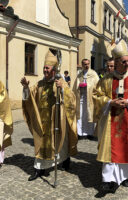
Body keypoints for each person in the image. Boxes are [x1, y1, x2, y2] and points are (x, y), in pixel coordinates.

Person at [93, 40, 128, 194]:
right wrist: (110, 102)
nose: (127, 64)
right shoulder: (106, 79)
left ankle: (126, 176)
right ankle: (108, 180)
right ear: (116, 62)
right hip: (110, 119)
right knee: (109, 149)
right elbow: (97, 96)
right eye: (124, 62)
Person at [21, 50, 78, 181]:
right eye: (44, 68)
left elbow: (72, 99)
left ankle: (65, 159)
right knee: (40, 143)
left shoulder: (60, 82)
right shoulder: (40, 84)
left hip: (56, 120)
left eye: (47, 68)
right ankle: (39, 169)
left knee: (59, 144)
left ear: (54, 70)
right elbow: (29, 98)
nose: (45, 71)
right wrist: (25, 88)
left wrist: (62, 90)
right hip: (42, 120)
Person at [73, 59, 99, 140]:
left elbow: (98, 85)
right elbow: (75, 87)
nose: (86, 65)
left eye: (88, 64)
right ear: (82, 65)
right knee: (80, 115)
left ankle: (90, 133)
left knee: (89, 115)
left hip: (90, 99)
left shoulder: (93, 74)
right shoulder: (79, 75)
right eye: (84, 64)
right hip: (81, 97)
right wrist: (79, 86)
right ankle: (80, 133)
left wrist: (87, 85)